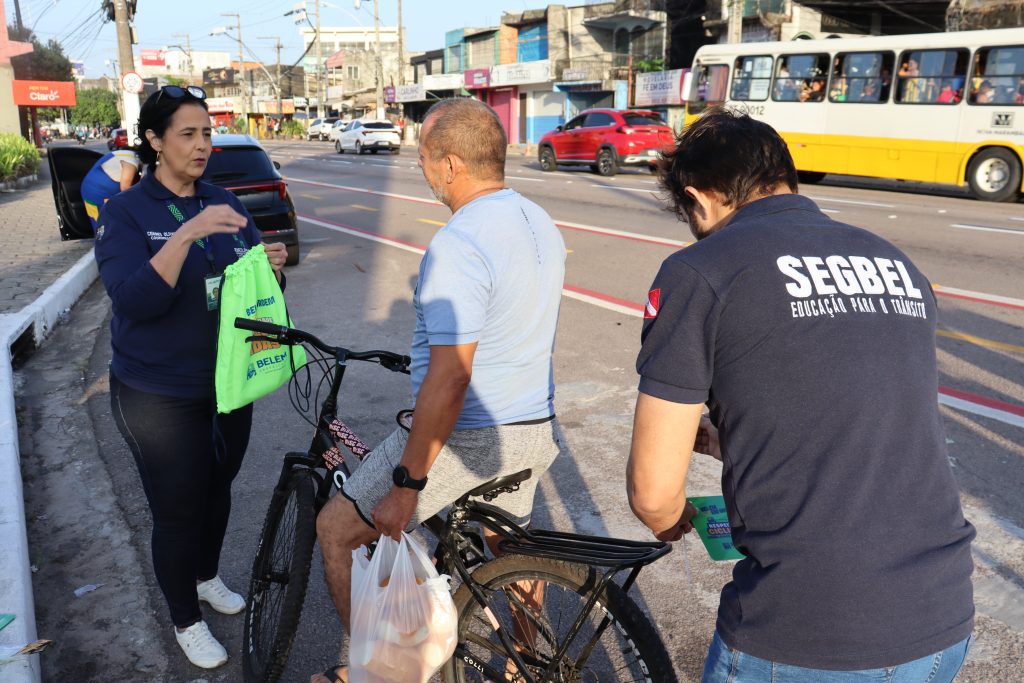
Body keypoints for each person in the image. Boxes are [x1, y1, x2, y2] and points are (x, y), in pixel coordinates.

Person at [626, 108, 975, 682]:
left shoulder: (701, 270)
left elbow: (652, 492)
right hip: (941, 616)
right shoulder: (894, 261)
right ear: (785, 177)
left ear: (697, 198)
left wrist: (671, 520)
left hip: (805, 633)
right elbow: (861, 398)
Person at [312, 97, 566, 683]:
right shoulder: (538, 222)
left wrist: (406, 486)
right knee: (513, 552)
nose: (422, 171)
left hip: (471, 436)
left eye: (423, 159)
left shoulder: (458, 242)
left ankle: (375, 671)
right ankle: (526, 665)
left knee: (337, 528)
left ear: (450, 165)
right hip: (532, 428)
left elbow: (451, 377)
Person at [93, 85, 289, 670]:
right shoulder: (128, 212)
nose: (202, 145)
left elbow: (258, 291)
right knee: (177, 509)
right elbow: (134, 301)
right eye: (188, 134)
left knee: (217, 491)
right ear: (154, 141)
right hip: (156, 393)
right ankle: (185, 617)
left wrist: (268, 269)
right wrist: (186, 235)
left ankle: (204, 576)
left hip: (226, 385)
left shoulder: (224, 200)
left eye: (206, 133)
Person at [81, 149, 142, 231]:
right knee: (108, 226)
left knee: (98, 223)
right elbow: (125, 188)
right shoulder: (132, 161)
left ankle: (101, 241)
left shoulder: (125, 153)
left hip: (88, 189)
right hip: (101, 194)